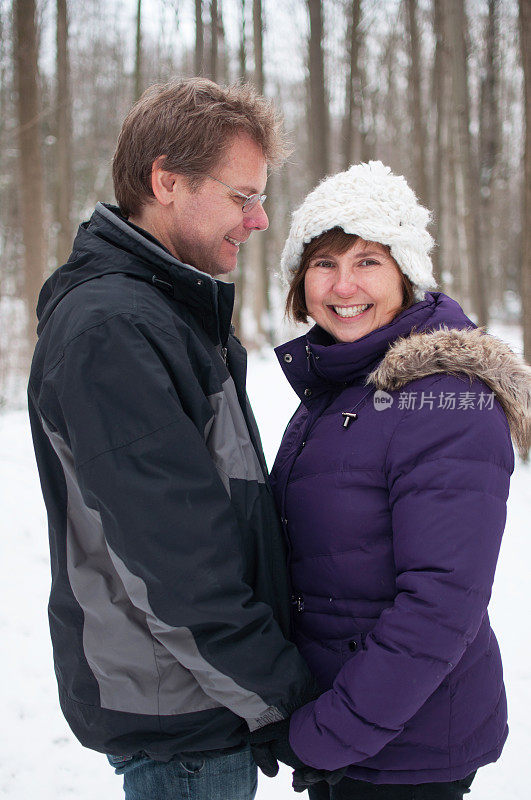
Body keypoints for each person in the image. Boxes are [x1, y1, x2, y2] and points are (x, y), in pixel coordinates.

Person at [27, 78, 320, 800]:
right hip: (184, 720)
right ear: (166, 181)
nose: (257, 220)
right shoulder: (114, 329)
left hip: (200, 703)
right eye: (241, 196)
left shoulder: (162, 310)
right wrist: (283, 695)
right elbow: (175, 561)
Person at [268, 161, 531, 799]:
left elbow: (440, 605)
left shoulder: (445, 400)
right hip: (353, 737)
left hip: (406, 750)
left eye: (368, 261)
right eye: (323, 262)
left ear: (407, 275)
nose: (343, 283)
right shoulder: (342, 386)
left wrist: (331, 732)